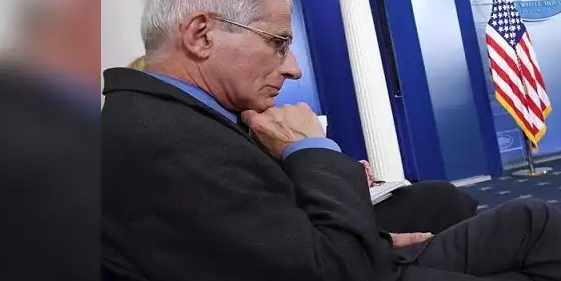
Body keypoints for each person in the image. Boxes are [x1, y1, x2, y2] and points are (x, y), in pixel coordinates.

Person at [102, 0, 561, 281]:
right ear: (200, 35)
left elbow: (260, 233)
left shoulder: (177, 116)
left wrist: (373, 234)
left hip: (354, 264)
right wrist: (314, 152)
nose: (293, 69)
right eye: (279, 43)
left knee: (531, 218)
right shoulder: (160, 136)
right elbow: (334, 277)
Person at [123, 55, 477, 234]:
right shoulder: (177, 145)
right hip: (315, 235)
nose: (292, 69)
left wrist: (337, 169)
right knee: (444, 200)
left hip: (325, 217)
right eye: (276, 44)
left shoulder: (240, 124)